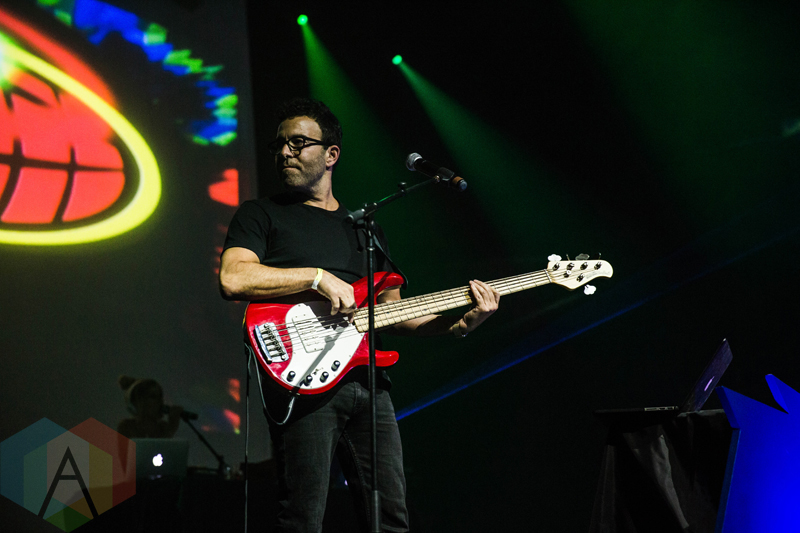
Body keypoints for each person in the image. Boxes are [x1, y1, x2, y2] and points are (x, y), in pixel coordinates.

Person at [219, 97, 500, 532]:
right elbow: (234, 278)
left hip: (369, 385)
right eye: (280, 144)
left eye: (298, 143)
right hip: (303, 379)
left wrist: (462, 324)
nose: (285, 152)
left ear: (331, 154)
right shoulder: (261, 214)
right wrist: (317, 277)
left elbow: (396, 314)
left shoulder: (365, 230)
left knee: (390, 519)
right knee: (302, 518)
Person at [117, 375, 184, 439]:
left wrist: (172, 427)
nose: (159, 401)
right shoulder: (126, 426)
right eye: (153, 396)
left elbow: (163, 446)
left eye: (160, 396)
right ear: (140, 401)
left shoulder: (163, 427)